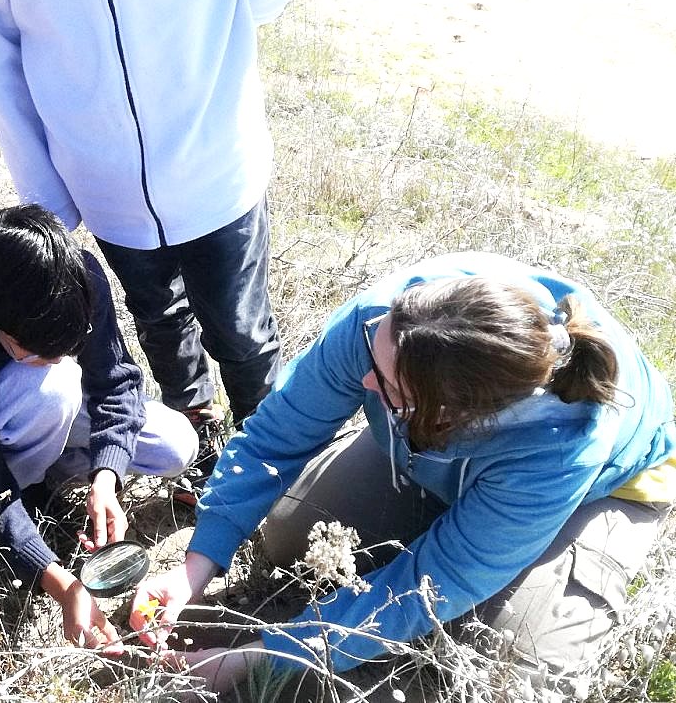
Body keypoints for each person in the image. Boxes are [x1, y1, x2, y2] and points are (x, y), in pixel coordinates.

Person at [130, 252, 676, 696]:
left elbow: (435, 582)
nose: (365, 379)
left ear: (454, 412)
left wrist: (265, 657)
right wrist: (195, 566)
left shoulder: (564, 444)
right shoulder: (392, 321)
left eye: (388, 384)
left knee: (518, 670)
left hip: (604, 490)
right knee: (291, 533)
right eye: (377, 355)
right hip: (428, 440)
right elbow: (277, 435)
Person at [0, 0, 308, 502]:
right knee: (157, 314)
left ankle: (269, 469)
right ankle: (201, 434)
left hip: (214, 151)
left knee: (241, 332)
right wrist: (46, 199)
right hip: (101, 173)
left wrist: (224, 16)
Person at [0, 204, 197, 649]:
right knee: (52, 389)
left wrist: (106, 478)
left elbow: (116, 383)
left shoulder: (79, 277)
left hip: (40, 403)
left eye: (64, 346)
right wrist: (61, 584)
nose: (51, 356)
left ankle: (46, 471)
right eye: (30, 349)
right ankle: (28, 496)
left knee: (177, 446)